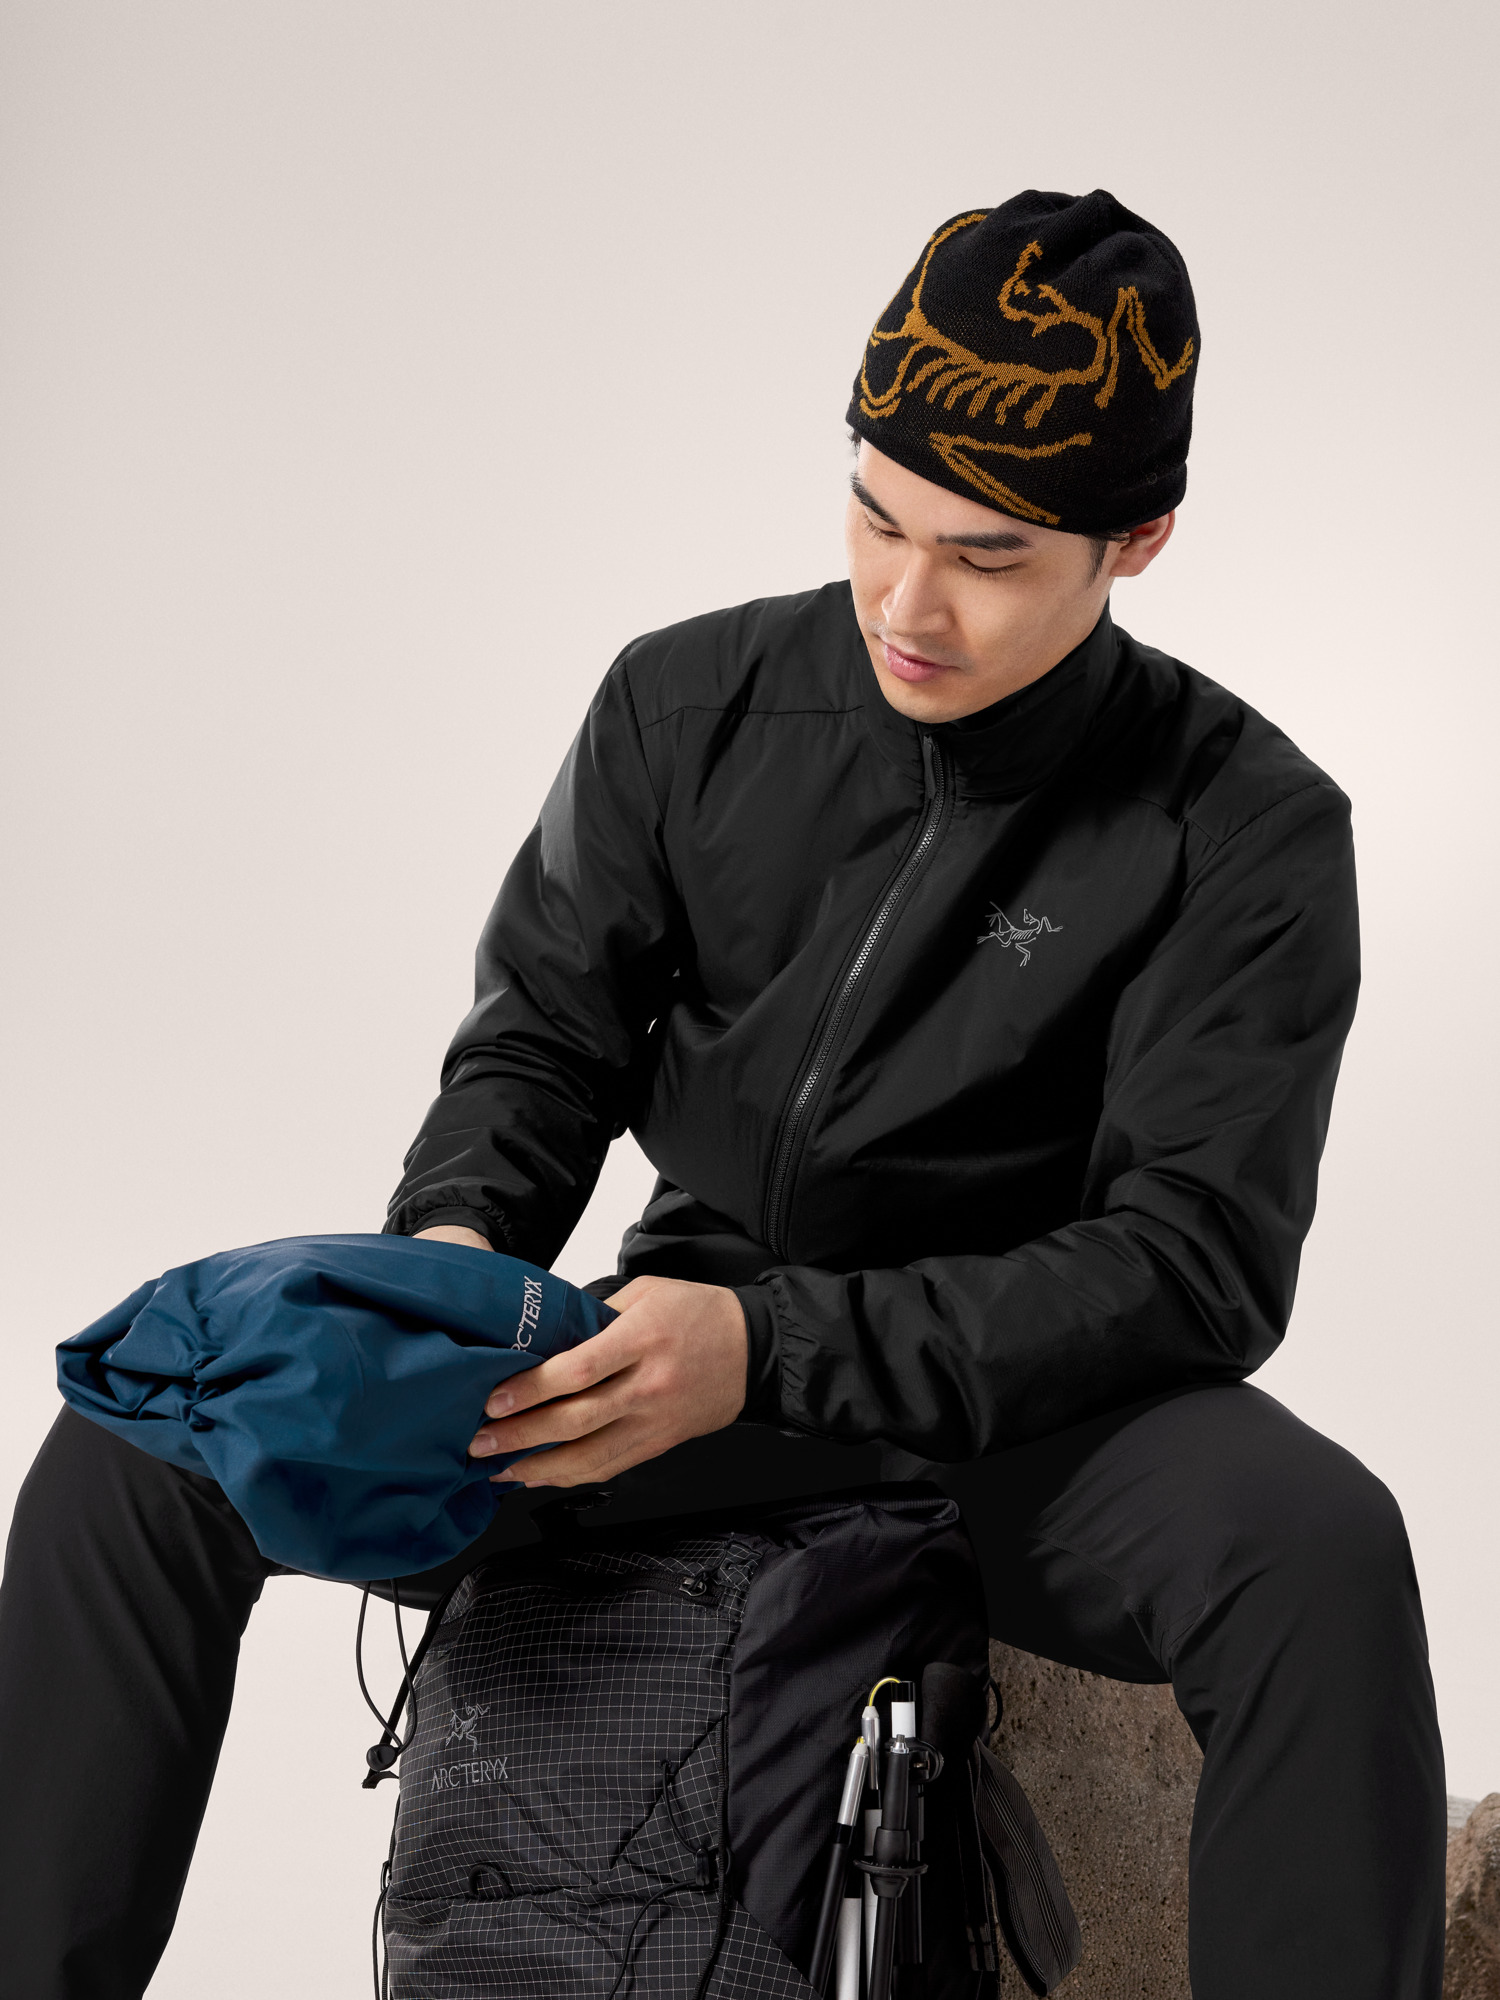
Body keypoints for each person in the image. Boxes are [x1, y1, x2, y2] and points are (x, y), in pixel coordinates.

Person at [0, 188, 1445, 1999]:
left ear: (1136, 539)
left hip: (1016, 1418)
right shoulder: (687, 706)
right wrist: (454, 1266)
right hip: (650, 1366)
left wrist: (773, 1350)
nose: (907, 602)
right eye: (875, 512)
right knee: (143, 1433)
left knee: (1317, 1547)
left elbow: (1190, 1265)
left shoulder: (1244, 827)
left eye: (989, 556)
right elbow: (540, 1047)